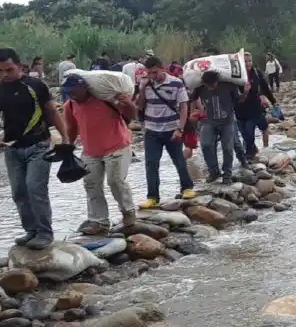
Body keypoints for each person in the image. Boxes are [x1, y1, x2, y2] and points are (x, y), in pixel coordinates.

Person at [0, 48, 69, 250]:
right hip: (12, 148)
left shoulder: (35, 85)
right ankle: (31, 230)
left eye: (9, 69)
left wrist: (65, 137)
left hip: (38, 146)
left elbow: (52, 111)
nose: (5, 74)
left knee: (35, 189)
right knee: (19, 192)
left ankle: (45, 233)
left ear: (20, 66)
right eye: (0, 70)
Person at [62, 74, 137, 235]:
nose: (72, 95)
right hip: (90, 151)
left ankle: (128, 212)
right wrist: (69, 145)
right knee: (91, 184)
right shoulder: (70, 105)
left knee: (115, 181)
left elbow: (132, 114)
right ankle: (99, 221)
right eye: (69, 92)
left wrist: (128, 103)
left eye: (74, 91)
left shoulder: (105, 98)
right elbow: (72, 127)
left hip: (117, 146)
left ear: (84, 88)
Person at [135, 56, 197, 207]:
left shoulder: (176, 83)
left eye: (155, 72)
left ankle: (187, 187)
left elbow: (183, 107)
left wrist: (180, 128)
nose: (152, 76)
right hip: (152, 130)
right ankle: (153, 197)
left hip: (172, 129)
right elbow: (140, 106)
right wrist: (142, 89)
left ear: (162, 68)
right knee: (151, 164)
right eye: (149, 73)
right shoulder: (146, 84)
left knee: (178, 160)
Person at [191, 70, 250, 184]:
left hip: (227, 121)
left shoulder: (229, 86)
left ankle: (227, 174)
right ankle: (214, 171)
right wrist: (193, 112)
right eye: (207, 85)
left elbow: (239, 100)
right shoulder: (201, 88)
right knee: (206, 144)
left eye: (212, 85)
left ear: (217, 81)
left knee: (228, 147)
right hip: (208, 120)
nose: (210, 88)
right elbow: (192, 98)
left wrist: (246, 92)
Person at [236, 52, 276, 163]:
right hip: (239, 110)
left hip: (254, 109)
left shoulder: (257, 73)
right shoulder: (236, 76)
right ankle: (253, 150)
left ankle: (250, 155)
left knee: (250, 132)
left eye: (249, 61)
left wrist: (273, 102)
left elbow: (265, 88)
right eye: (245, 61)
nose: (248, 63)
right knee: (244, 135)